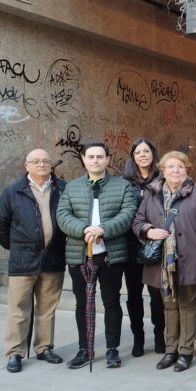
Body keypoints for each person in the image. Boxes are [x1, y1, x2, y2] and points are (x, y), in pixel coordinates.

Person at [133, 151, 196, 372]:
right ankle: (171, 350)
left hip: (191, 259)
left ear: (187, 169)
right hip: (162, 262)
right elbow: (138, 221)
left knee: (188, 305)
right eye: (170, 167)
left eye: (180, 166)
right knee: (169, 305)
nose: (176, 170)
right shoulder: (152, 193)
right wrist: (149, 232)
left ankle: (185, 352)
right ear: (162, 170)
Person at [56, 141, 138, 369]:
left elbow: (127, 213)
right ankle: (85, 348)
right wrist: (83, 230)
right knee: (82, 303)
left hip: (110, 254)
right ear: (83, 159)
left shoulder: (122, 186)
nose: (95, 160)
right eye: (90, 157)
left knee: (112, 302)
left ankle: (112, 349)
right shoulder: (72, 187)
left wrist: (103, 229)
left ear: (108, 159)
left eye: (100, 157)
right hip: (80, 253)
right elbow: (62, 215)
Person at [0, 148, 67, 373]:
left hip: (53, 257)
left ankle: (44, 348)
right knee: (18, 308)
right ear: (27, 166)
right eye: (36, 161)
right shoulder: (14, 190)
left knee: (47, 307)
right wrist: (15, 246)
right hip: (23, 259)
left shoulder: (62, 188)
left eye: (46, 161)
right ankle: (15, 352)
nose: (42, 164)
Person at [122, 138, 165, 357]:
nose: (142, 155)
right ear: (133, 157)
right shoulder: (125, 182)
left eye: (146, 151)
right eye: (138, 152)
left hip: (156, 246)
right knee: (134, 296)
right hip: (131, 248)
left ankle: (159, 336)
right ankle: (138, 338)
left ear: (153, 153)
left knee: (157, 295)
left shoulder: (163, 178)